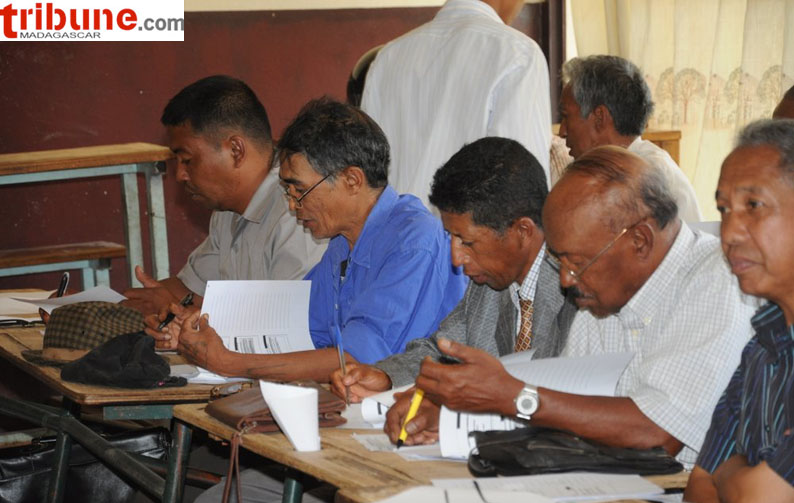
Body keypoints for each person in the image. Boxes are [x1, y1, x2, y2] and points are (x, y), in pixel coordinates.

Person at [386, 146, 755, 467]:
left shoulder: (719, 282)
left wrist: (511, 396)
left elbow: (657, 433)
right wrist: (456, 412)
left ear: (640, 241)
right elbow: (572, 412)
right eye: (559, 260)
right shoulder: (601, 297)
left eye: (576, 262)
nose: (565, 279)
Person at [158, 98, 467, 384]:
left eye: (300, 190)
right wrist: (206, 330)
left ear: (352, 180)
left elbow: (359, 358)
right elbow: (296, 327)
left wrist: (231, 363)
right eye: (287, 192)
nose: (293, 205)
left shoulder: (413, 240)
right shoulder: (341, 244)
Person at [331, 137, 577, 407]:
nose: (457, 258)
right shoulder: (488, 283)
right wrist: (386, 376)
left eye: (467, 242)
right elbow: (441, 350)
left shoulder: (577, 292)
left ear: (523, 231)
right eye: (451, 237)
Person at [122, 75, 325, 315]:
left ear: (235, 151)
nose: (180, 175)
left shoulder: (297, 211)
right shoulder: (227, 208)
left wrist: (176, 310)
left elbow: (284, 321)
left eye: (187, 160)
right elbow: (188, 289)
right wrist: (119, 305)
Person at [683, 119, 794, 503]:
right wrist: (745, 482)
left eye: (754, 206)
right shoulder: (762, 348)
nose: (729, 232)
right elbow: (696, 497)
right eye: (723, 210)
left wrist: (727, 472)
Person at [361, 0, 552, 210]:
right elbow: (523, 185)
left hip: (394, 228)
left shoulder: (389, 57)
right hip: (465, 230)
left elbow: (367, 173)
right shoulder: (519, 54)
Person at [558, 55, 702, 223]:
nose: (562, 132)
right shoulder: (614, 168)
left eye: (566, 116)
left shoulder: (644, 176)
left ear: (599, 117)